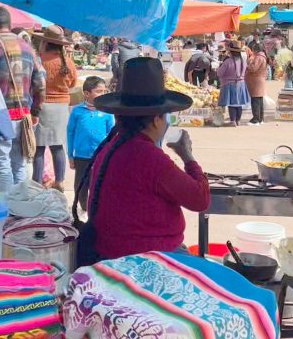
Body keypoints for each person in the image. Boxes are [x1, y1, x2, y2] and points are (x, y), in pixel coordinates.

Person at [74, 57, 210, 265]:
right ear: (156, 119)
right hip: (147, 260)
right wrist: (187, 155)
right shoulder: (149, 157)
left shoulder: (112, 146)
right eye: (166, 117)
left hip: (112, 253)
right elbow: (200, 199)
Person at [0, 4, 45, 192]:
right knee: (19, 164)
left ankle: (8, 205)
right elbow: (40, 82)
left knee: (0, 165)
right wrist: (35, 111)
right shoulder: (27, 46)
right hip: (23, 115)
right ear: (9, 23)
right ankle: (20, 204)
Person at [32, 25, 77, 192]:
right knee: (57, 146)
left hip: (41, 105)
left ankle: (36, 183)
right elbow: (72, 83)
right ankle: (59, 182)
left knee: (39, 147)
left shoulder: (40, 61)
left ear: (45, 43)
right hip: (61, 107)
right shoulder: (68, 62)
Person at [67, 76, 114, 213]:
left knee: (99, 183)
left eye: (104, 91)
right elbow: (70, 133)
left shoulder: (107, 112)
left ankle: (98, 209)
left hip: (100, 155)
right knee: (81, 185)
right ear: (87, 93)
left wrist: (110, 154)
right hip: (81, 156)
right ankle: (84, 208)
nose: (102, 94)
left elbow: (111, 135)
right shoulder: (77, 111)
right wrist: (70, 155)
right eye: (98, 91)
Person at [217, 40, 249, 127]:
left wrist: (218, 67)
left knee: (232, 103)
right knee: (239, 103)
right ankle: (238, 120)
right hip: (241, 83)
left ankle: (233, 121)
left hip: (230, 84)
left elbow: (219, 73)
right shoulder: (243, 61)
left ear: (231, 51)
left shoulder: (227, 61)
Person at [245, 44, 267, 125]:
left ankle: (256, 119)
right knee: (259, 100)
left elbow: (253, 68)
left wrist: (247, 65)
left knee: (255, 101)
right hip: (259, 80)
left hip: (256, 81)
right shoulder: (263, 57)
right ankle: (260, 119)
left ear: (255, 50)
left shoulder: (258, 57)